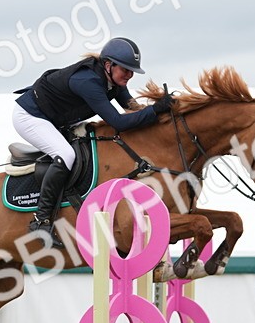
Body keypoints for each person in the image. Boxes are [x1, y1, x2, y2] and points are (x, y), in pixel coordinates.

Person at [13, 37, 175, 247]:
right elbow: (118, 122)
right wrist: (154, 111)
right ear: (108, 65)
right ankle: (41, 221)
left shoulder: (115, 82)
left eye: (132, 70)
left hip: (57, 118)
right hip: (30, 116)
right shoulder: (88, 82)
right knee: (66, 155)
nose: (129, 75)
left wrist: (162, 110)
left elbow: (133, 109)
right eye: (125, 69)